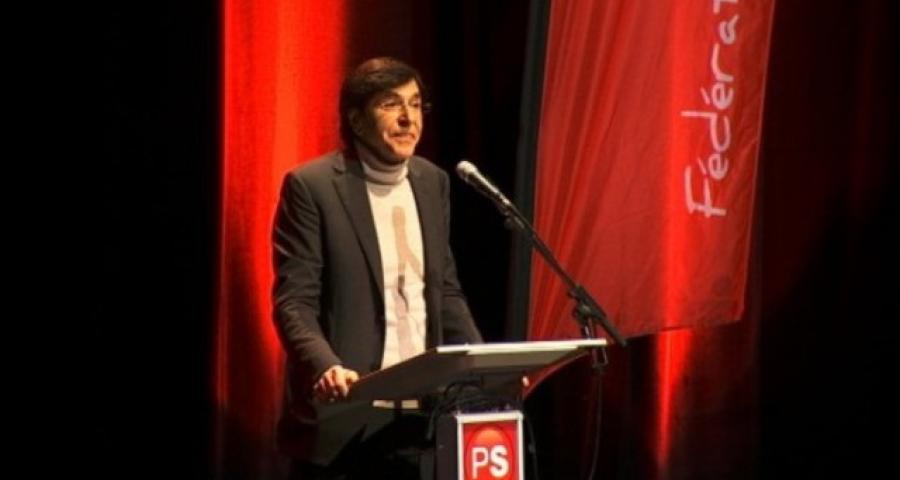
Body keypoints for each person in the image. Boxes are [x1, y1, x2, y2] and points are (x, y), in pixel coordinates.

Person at [272, 57, 483, 479]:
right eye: (391, 104)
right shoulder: (312, 187)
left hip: (426, 420)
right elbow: (294, 302)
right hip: (349, 421)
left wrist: (483, 367)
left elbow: (445, 291)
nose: (409, 119)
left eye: (416, 104)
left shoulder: (432, 182)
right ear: (356, 119)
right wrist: (325, 365)